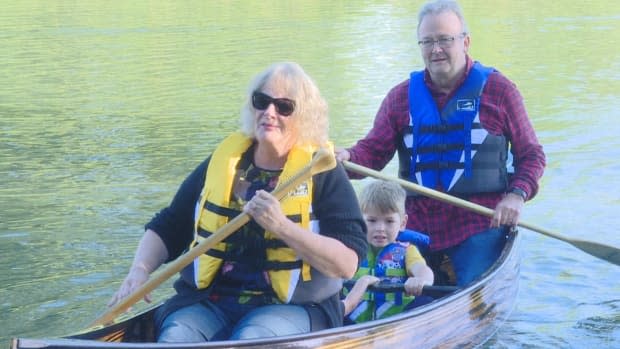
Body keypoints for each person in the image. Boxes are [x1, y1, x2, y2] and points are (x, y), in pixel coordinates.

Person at [108, 62, 368, 343]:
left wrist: (283, 227)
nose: (269, 112)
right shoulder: (225, 162)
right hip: (211, 301)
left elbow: (347, 263)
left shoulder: (322, 171)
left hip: (293, 308)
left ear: (305, 116)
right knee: (176, 338)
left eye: (284, 107)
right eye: (262, 101)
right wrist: (140, 270)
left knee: (253, 339)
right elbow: (170, 225)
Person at [336, 0, 545, 287]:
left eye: (445, 39)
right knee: (384, 287)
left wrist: (516, 195)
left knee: (470, 286)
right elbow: (371, 153)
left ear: (465, 41)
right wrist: (344, 156)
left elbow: (532, 155)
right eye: (428, 41)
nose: (436, 49)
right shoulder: (400, 98)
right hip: (415, 226)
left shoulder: (500, 91)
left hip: (479, 224)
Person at [342, 180, 434, 323]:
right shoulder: (351, 248)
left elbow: (422, 269)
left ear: (402, 223)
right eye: (372, 220)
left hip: (398, 322)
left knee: (426, 302)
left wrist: (422, 280)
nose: (380, 228)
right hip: (352, 323)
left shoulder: (407, 251)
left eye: (389, 221)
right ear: (360, 220)